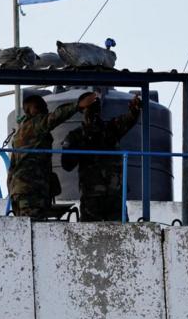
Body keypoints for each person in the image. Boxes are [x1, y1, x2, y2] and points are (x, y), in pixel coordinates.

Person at [8, 93, 98, 218]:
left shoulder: (19, 134)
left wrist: (12, 192)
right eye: (39, 107)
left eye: (45, 106)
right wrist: (77, 105)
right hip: (32, 191)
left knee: (26, 229)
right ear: (28, 110)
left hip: (21, 191)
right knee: (34, 229)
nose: (45, 110)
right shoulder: (35, 124)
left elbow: (12, 168)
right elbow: (55, 117)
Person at [61, 92, 142, 222]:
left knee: (122, 236)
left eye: (96, 105)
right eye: (91, 105)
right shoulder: (76, 136)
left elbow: (129, 119)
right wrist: (79, 146)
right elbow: (67, 165)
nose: (94, 110)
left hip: (114, 195)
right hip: (92, 196)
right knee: (90, 236)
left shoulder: (110, 129)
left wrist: (135, 109)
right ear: (82, 109)